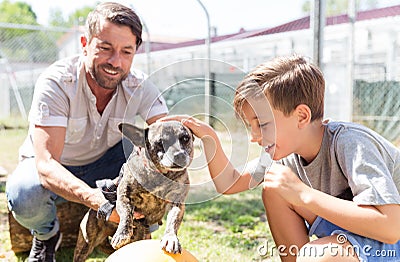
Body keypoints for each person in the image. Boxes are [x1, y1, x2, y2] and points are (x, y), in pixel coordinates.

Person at [161, 54, 400, 261]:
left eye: (262, 125)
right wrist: (209, 137)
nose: (255, 137)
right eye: (251, 126)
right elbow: (230, 182)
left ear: (301, 116)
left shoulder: (351, 143)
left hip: (392, 240)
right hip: (357, 235)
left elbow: (390, 227)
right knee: (274, 188)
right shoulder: (287, 152)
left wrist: (303, 194)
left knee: (313, 255)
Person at [6, 2, 168, 261]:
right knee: (24, 194)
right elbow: (47, 164)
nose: (116, 61)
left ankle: (139, 237)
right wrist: (100, 203)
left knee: (159, 167)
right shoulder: (57, 81)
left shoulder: (140, 84)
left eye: (126, 51)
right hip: (56, 164)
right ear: (85, 42)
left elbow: (167, 135)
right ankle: (47, 236)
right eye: (105, 48)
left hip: (108, 164)